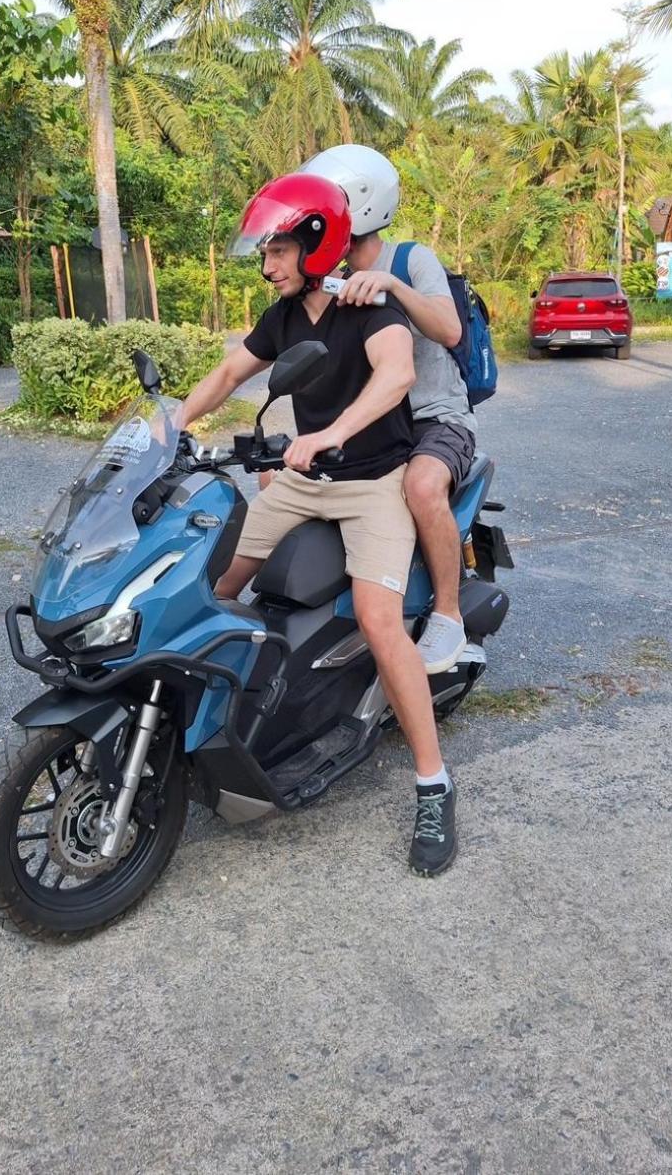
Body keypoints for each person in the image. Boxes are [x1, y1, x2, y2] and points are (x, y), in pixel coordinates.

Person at [179, 170, 458, 876]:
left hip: (372, 483)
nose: (267, 264)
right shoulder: (281, 315)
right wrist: (168, 424)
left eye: (276, 250)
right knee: (218, 581)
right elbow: (229, 372)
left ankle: (433, 783)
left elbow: (395, 378)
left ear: (316, 241)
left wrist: (331, 432)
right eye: (265, 251)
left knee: (378, 619)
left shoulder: (367, 302)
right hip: (306, 482)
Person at [301, 144, 477, 676]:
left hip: (435, 419)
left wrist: (392, 284)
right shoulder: (322, 272)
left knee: (421, 486)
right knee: (282, 480)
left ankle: (448, 616)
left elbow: (450, 330)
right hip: (373, 420)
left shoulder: (410, 259)